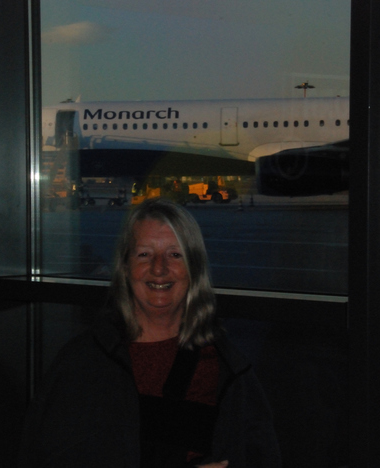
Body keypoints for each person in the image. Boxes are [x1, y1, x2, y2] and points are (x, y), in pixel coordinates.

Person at [19, 198, 281, 468]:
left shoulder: (228, 369)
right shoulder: (81, 366)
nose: (159, 268)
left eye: (175, 255)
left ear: (195, 269)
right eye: (144, 254)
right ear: (124, 268)